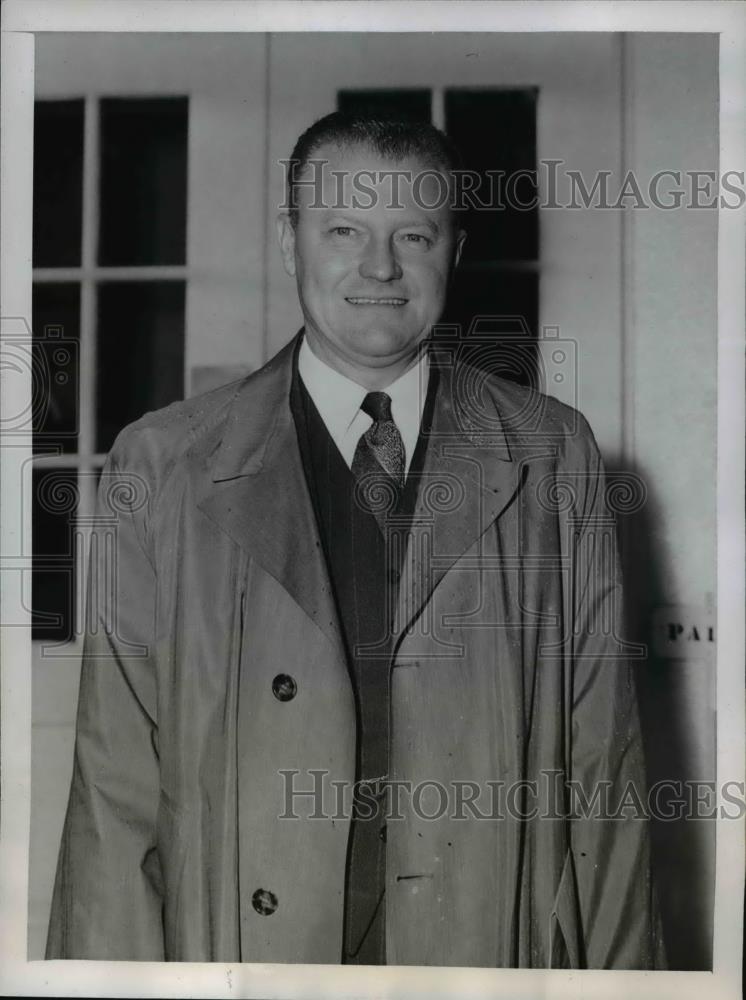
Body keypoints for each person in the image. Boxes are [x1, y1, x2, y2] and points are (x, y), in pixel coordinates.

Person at [47, 112, 665, 968]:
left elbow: (607, 772)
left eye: (413, 233)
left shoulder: (551, 450)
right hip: (246, 960)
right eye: (344, 229)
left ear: (454, 248)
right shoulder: (162, 461)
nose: (380, 267)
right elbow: (113, 795)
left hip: (479, 956)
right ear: (290, 241)